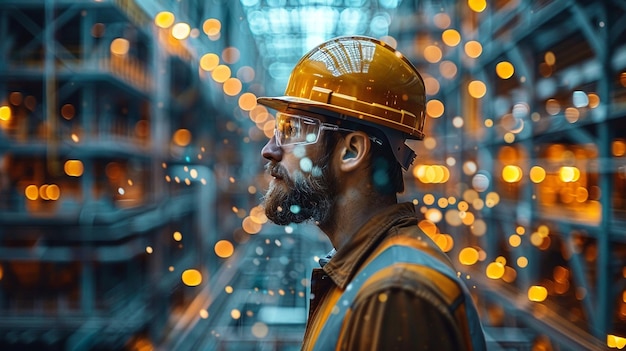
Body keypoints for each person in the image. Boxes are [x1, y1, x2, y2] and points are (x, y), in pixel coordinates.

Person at [258, 36, 486, 351]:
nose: (269, 150)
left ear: (351, 151)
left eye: (291, 130)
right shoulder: (369, 277)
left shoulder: (398, 294)